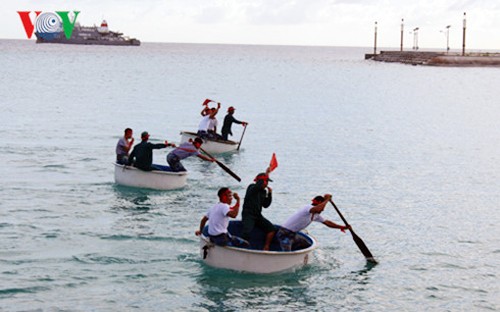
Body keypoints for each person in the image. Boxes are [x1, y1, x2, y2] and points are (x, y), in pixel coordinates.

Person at [276, 194, 350, 251]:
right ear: (319, 203)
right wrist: (327, 200)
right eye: (322, 205)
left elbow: (327, 223)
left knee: (307, 245)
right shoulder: (307, 208)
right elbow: (319, 209)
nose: (323, 210)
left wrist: (342, 227)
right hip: (284, 233)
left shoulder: (316, 215)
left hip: (293, 234)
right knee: (287, 253)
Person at [241, 167, 275, 250]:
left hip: (257, 215)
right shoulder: (251, 187)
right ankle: (243, 248)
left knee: (271, 229)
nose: (267, 184)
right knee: (246, 232)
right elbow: (257, 186)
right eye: (266, 181)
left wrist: (270, 194)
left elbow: (266, 205)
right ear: (261, 181)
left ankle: (266, 246)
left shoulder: (264, 192)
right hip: (248, 214)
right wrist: (266, 174)